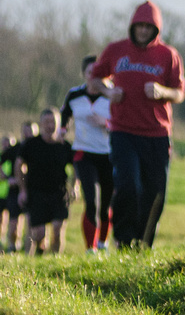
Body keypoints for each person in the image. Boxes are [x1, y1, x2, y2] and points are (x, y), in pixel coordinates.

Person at [89, 1, 185, 249]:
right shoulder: (116, 50)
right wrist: (108, 92)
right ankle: (123, 239)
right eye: (139, 26)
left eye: (148, 27)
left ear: (156, 28)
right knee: (128, 184)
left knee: (155, 193)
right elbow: (95, 79)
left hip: (157, 134)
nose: (143, 31)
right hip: (123, 131)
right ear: (132, 26)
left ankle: (143, 245)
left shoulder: (168, 55)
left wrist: (162, 91)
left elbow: (179, 93)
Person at [61, 54, 115, 252]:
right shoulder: (74, 94)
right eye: (90, 72)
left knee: (106, 203)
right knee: (91, 200)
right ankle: (90, 249)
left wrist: (106, 123)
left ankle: (102, 243)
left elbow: (124, 122)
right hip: (84, 153)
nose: (94, 76)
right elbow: (65, 114)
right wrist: (62, 130)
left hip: (108, 154)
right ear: (84, 74)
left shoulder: (113, 95)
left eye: (98, 72)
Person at [16, 108, 74, 255]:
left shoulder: (64, 146)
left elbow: (78, 167)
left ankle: (56, 262)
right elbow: (19, 165)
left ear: (58, 123)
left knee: (57, 228)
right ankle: (38, 255)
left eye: (53, 122)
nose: (50, 126)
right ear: (41, 124)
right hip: (37, 193)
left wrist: (75, 186)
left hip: (59, 193)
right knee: (38, 234)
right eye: (47, 122)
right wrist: (22, 189)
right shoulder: (31, 145)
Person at [2, 122, 38, 253]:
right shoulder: (15, 149)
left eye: (31, 132)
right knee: (13, 226)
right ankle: (13, 247)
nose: (28, 134)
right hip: (15, 192)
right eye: (25, 131)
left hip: (33, 191)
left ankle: (30, 255)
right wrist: (6, 178)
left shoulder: (39, 148)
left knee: (31, 225)